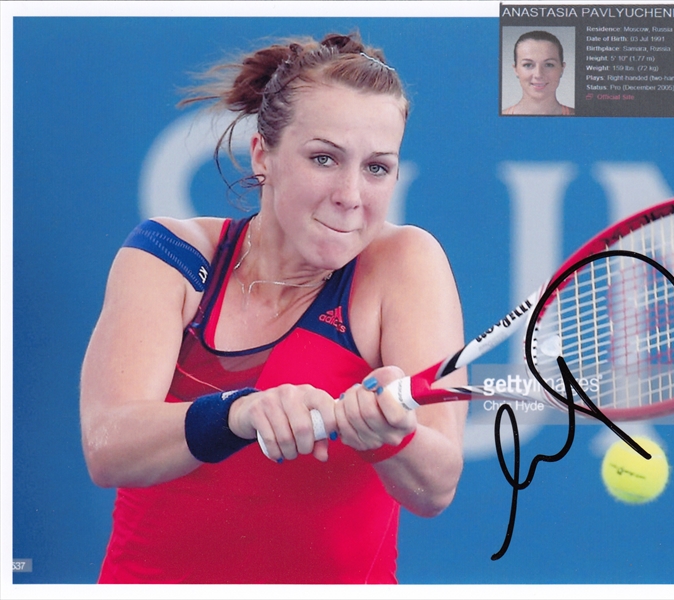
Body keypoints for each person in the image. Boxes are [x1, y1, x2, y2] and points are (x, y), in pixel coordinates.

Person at [80, 32, 467, 584]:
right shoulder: (170, 256)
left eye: (377, 168)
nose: (351, 195)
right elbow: (108, 446)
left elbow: (436, 487)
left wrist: (394, 435)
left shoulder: (406, 263)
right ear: (263, 155)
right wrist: (241, 413)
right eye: (324, 158)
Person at [503, 30, 575, 116]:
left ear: (562, 68)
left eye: (549, 65)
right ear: (516, 69)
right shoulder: (497, 120)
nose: (538, 75)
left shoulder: (581, 117)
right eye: (528, 65)